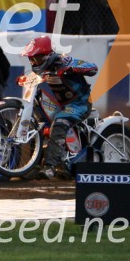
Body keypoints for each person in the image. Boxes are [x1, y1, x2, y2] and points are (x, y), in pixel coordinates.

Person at [21, 36, 97, 180]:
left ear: (47, 55)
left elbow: (93, 67)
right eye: (31, 59)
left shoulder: (64, 61)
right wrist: (24, 79)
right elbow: (32, 77)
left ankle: (49, 167)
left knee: (60, 121)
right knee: (38, 122)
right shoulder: (43, 69)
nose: (33, 62)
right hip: (62, 105)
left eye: (36, 59)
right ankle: (34, 164)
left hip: (80, 104)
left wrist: (72, 68)